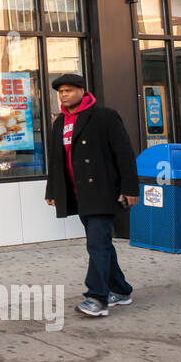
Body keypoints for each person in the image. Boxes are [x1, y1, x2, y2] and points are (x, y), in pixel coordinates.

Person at [44, 73, 139, 317]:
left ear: (82, 91)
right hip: (78, 194)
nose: (63, 95)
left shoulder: (104, 116)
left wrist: (130, 189)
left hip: (104, 192)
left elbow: (124, 154)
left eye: (68, 90)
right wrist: (53, 190)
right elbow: (56, 160)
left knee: (96, 244)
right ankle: (121, 290)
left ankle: (97, 297)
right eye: (61, 91)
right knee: (102, 245)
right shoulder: (59, 123)